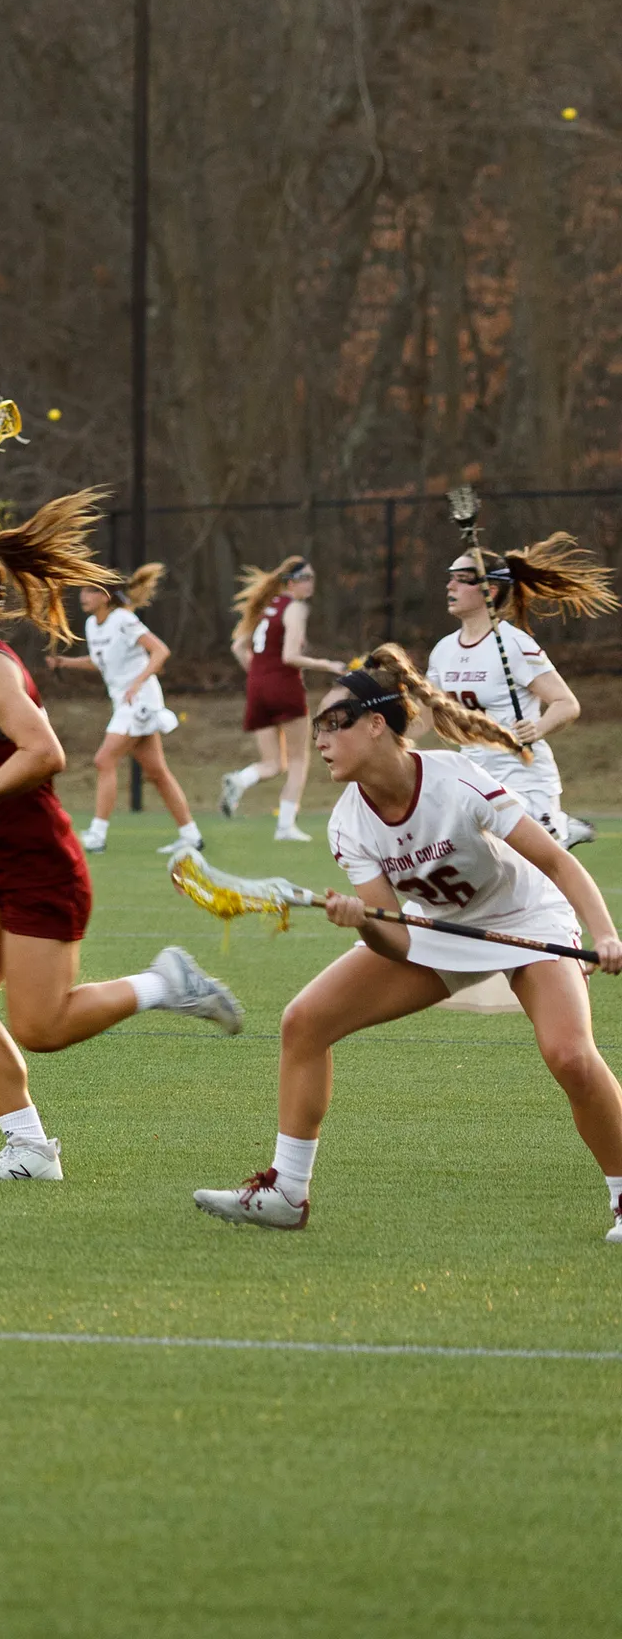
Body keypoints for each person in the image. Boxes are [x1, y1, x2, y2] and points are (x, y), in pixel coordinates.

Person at [196, 648, 622, 1235]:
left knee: (570, 1055)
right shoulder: (347, 823)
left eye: (332, 724)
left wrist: (604, 931)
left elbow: (555, 861)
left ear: (376, 724)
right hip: (436, 929)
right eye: (316, 727)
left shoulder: (454, 777)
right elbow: (395, 940)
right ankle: (287, 1193)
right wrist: (365, 921)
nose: (318, 739)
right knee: (304, 1021)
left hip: (525, 918)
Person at [0, 494, 242, 1181]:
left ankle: (165, 982)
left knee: (42, 1025)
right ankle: (29, 1149)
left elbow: (45, 753)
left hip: (36, 862)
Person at [429, 528, 611, 852]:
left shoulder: (514, 645)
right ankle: (561, 828)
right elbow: (428, 713)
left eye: (461, 578)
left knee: (538, 870)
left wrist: (535, 729)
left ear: (490, 589)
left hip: (524, 780)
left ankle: (561, 829)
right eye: (450, 577)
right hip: (473, 778)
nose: (450, 585)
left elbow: (566, 703)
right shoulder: (443, 650)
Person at [51, 565, 198, 857]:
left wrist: (137, 682)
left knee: (104, 760)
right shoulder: (94, 625)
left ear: (106, 597)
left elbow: (160, 651)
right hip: (125, 703)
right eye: (83, 589)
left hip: (140, 701)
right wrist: (65, 663)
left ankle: (97, 835)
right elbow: (100, 662)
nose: (84, 595)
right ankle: (191, 835)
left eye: (91, 590)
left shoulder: (123, 620)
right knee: (156, 772)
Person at [222, 558, 326, 843]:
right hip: (285, 687)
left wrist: (258, 674)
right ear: (291, 582)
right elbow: (290, 657)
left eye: (312, 577)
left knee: (273, 763)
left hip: (257, 689)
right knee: (298, 760)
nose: (310, 583)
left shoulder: (267, 608)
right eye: (305, 577)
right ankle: (285, 827)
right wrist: (328, 665)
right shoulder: (294, 608)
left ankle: (239, 780)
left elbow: (238, 646)